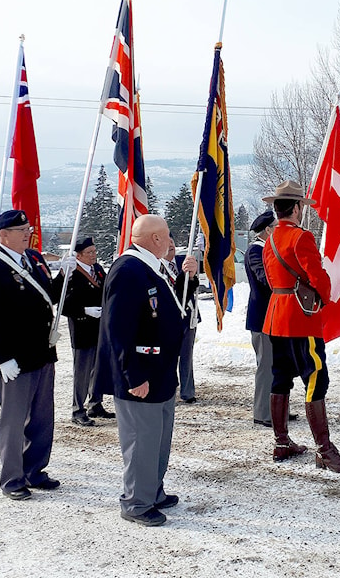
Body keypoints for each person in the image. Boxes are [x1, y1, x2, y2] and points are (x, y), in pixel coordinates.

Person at [95, 214, 198, 526]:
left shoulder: (151, 266)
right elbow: (118, 328)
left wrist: (187, 280)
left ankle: (152, 490)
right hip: (141, 374)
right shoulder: (128, 269)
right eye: (167, 236)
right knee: (142, 439)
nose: (170, 242)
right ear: (155, 239)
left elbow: (167, 307)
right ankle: (136, 502)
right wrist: (133, 376)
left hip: (161, 370)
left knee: (158, 438)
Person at [261, 181, 340, 473]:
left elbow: (270, 279)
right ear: (295, 208)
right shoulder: (300, 237)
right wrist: (326, 296)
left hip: (276, 317)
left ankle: (281, 441)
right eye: (301, 206)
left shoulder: (269, 240)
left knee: (280, 378)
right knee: (316, 377)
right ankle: (325, 450)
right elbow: (317, 277)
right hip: (301, 318)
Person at [0, 209, 70, 500]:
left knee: (42, 417)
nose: (28, 232)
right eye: (20, 230)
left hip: (42, 352)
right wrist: (0, 358)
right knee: (14, 422)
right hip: (14, 358)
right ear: (3, 235)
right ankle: (12, 479)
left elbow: (50, 295)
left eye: (28, 228)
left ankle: (35, 470)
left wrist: (65, 273)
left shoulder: (35, 259)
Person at [244, 210, 298, 428]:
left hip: (276, 316)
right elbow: (265, 279)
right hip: (263, 318)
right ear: (267, 230)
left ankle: (278, 408)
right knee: (266, 367)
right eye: (276, 226)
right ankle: (263, 413)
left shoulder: (270, 250)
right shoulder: (256, 251)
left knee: (279, 366)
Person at [60, 236, 115, 426]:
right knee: (82, 372)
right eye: (89, 253)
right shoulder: (72, 273)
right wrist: (84, 311)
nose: (94, 255)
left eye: (94, 251)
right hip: (82, 327)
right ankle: (78, 409)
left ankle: (95, 403)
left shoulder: (98, 270)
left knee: (98, 368)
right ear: (79, 255)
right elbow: (62, 303)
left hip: (100, 327)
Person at [164, 232, 199, 404]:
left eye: (172, 241)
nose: (171, 245)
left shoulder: (182, 262)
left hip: (188, 316)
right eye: (167, 242)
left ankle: (188, 391)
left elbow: (194, 285)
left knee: (187, 356)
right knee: (169, 356)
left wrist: (192, 273)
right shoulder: (158, 266)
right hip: (169, 319)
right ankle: (169, 389)